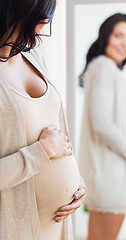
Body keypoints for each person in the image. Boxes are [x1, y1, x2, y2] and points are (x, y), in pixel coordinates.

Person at [0, 1, 87, 240]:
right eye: (43, 14)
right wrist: (41, 152)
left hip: (57, 223)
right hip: (15, 227)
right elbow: (47, 147)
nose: (46, 22)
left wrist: (76, 183)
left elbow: (57, 133)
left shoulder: (35, 56)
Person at [78, 13, 126, 240]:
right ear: (106, 36)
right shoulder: (103, 67)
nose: (124, 43)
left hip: (113, 176)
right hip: (110, 177)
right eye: (118, 35)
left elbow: (106, 115)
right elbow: (102, 124)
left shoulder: (107, 69)